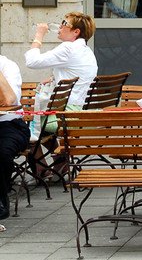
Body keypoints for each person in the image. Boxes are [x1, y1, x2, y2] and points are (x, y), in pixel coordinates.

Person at [26, 13, 99, 109]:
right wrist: (53, 78)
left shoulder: (68, 48)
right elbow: (77, 74)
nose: (60, 26)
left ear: (76, 32)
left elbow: (32, 62)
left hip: (66, 111)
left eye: (65, 23)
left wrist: (39, 35)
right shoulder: (87, 51)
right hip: (84, 110)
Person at [0, 54, 30, 227]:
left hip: (9, 125)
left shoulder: (7, 66)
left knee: (2, 152)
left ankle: (1, 197)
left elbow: (9, 100)